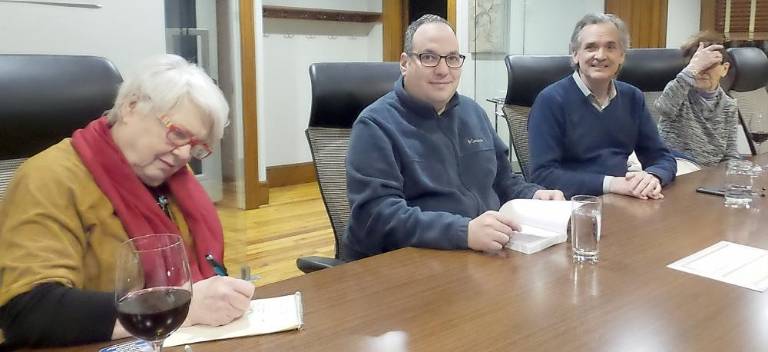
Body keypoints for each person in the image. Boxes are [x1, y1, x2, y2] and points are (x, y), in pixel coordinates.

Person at [0, 55, 254, 348]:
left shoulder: (175, 184)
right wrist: (183, 308)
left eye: (196, 147)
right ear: (131, 106)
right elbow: (30, 311)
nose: (185, 156)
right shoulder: (50, 177)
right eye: (178, 133)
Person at [342, 14, 564, 261]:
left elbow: (502, 181)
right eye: (429, 58)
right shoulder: (374, 125)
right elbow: (376, 215)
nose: (443, 70)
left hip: (478, 253)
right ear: (405, 63)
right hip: (405, 263)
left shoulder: (473, 113)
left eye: (453, 58)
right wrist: (464, 232)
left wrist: (535, 196)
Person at [528, 13, 676, 199]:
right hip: (572, 205)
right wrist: (611, 184)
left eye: (610, 47)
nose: (600, 55)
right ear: (575, 54)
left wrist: (653, 176)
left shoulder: (632, 97)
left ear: (621, 55)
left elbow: (662, 157)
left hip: (623, 200)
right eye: (591, 47)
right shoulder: (550, 100)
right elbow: (543, 175)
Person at [655, 30, 739, 167]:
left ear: (724, 69)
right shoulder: (679, 92)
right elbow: (663, 108)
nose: (703, 71)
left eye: (710, 65)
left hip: (710, 174)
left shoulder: (729, 105)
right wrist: (693, 68)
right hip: (675, 165)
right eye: (700, 65)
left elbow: (730, 154)